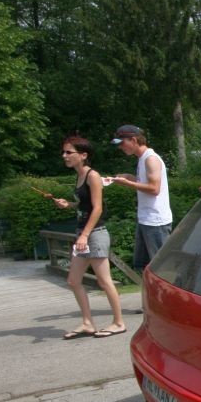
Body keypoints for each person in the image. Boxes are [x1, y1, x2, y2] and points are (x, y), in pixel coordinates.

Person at [51, 136, 126, 339]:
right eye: (63, 152)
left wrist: (84, 235)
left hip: (95, 234)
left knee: (104, 281)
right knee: (73, 280)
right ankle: (87, 323)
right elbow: (85, 205)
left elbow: (97, 208)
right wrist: (69, 204)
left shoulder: (93, 175)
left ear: (83, 155)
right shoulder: (79, 176)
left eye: (69, 152)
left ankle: (119, 323)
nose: (64, 155)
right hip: (83, 234)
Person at [108, 125, 172, 269]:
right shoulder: (142, 158)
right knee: (142, 266)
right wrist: (129, 177)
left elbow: (154, 189)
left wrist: (128, 183)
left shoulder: (151, 159)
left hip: (156, 222)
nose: (120, 147)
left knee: (161, 268)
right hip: (145, 219)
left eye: (122, 143)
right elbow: (144, 183)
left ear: (133, 140)